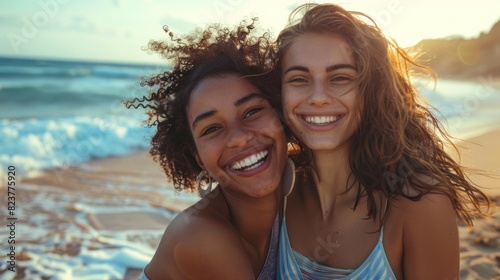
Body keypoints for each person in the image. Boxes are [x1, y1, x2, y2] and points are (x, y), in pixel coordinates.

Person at [275, 3, 493, 279]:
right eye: (299, 79)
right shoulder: (275, 191)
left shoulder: (420, 203)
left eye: (340, 77)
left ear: (370, 89)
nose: (318, 96)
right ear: (279, 92)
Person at [125, 19, 296, 279]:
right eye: (211, 129)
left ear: (281, 115)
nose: (239, 138)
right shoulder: (200, 236)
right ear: (199, 158)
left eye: (252, 111)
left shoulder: (306, 194)